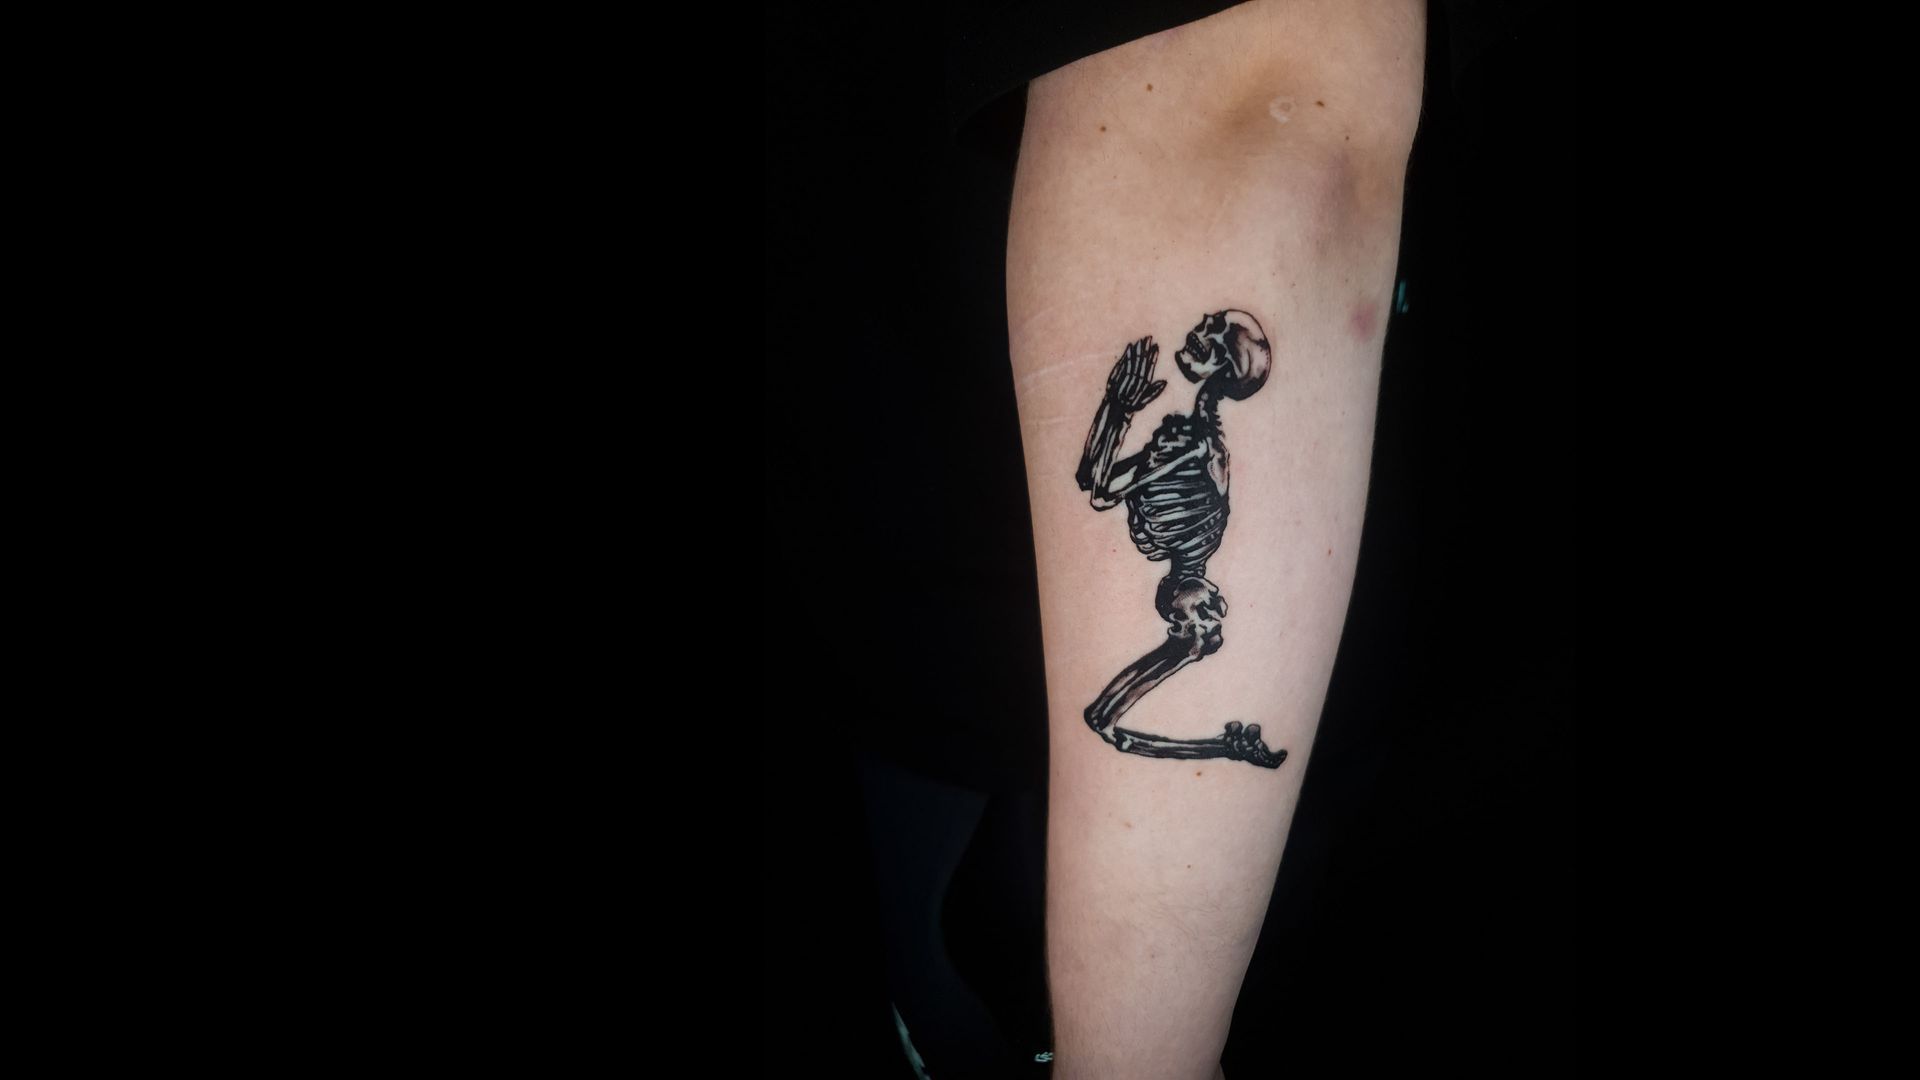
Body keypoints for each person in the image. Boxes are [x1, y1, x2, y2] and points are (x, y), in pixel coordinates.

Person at [763, 2, 1559, 1076]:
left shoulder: (1196, 444)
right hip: (918, 613)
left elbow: (1248, 139)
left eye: (1209, 340)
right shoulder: (1191, 433)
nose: (1197, 338)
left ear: (1223, 366)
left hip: (1054, 703)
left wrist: (1138, 1062)